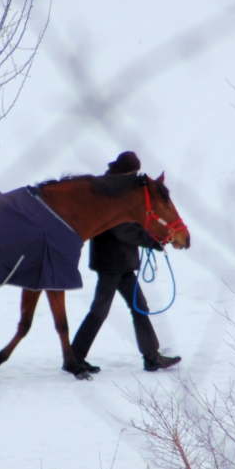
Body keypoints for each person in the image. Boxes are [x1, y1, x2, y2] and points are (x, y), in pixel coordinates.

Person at [71, 151, 183, 373]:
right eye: (133, 172)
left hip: (120, 262)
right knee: (100, 311)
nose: (135, 176)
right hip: (111, 262)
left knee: (139, 308)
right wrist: (152, 242)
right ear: (126, 171)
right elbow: (122, 228)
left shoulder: (115, 186)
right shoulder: (111, 190)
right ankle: (74, 357)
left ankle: (151, 357)